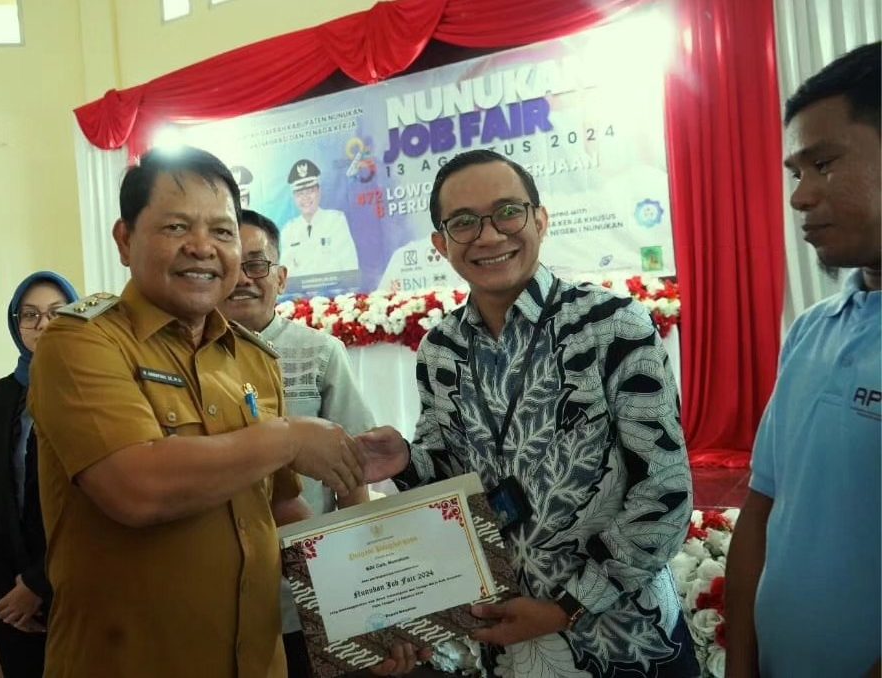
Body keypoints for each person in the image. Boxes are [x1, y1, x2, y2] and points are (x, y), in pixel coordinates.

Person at [28, 147, 420, 677]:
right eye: (176, 227)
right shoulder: (81, 343)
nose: (202, 247)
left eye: (221, 231)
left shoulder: (254, 358)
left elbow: (280, 508)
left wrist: (364, 612)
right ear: (124, 240)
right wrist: (288, 438)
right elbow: (135, 487)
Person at [358, 149, 697, 676]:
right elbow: (450, 479)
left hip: (623, 636)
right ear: (441, 243)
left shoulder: (612, 326)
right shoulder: (440, 350)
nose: (489, 235)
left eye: (508, 212)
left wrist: (567, 607)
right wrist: (405, 459)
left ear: (540, 219)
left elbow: (664, 487)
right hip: (509, 638)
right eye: (463, 222)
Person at [725, 41, 881, 678]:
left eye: (823, 164)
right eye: (796, 172)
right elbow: (763, 508)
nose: (799, 197)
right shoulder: (812, 331)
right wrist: (740, 665)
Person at [219, 208, 377, 676]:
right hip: (217, 590)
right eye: (232, 266)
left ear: (281, 277)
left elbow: (354, 473)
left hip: (306, 587)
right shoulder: (186, 356)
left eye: (256, 264)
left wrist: (356, 581)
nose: (243, 279)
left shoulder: (320, 352)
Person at [0, 272, 79, 678]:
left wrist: (37, 583)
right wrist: (4, 593)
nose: (43, 325)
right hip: (10, 597)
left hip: (77, 584)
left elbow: (92, 505)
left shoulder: (93, 391)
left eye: (57, 313)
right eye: (30, 315)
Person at [279, 159, 359, 278]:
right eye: (300, 193)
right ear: (294, 198)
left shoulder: (336, 221)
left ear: (319, 191)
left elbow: (350, 266)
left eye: (310, 191)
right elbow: (286, 275)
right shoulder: (288, 231)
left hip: (335, 289)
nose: (305, 198)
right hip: (301, 291)